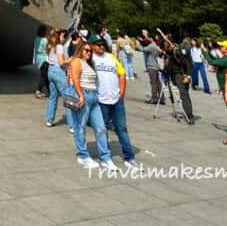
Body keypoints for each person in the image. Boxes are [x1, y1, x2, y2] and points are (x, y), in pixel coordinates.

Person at [64, 38, 116, 171]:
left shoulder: (90, 63)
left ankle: (106, 158)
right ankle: (83, 155)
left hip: (93, 97)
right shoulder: (77, 61)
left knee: (101, 128)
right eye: (87, 50)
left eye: (90, 51)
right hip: (84, 95)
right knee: (80, 127)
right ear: (81, 49)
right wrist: (81, 95)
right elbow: (75, 78)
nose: (89, 53)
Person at [90, 35, 139, 170]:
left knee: (122, 128)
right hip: (101, 99)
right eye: (98, 45)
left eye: (102, 44)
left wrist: (121, 92)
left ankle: (129, 157)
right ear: (92, 46)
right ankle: (106, 156)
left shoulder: (111, 57)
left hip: (116, 99)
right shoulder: (91, 59)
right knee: (102, 128)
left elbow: (121, 74)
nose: (101, 47)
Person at [161, 35, 194, 124]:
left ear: (171, 46)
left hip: (181, 75)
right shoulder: (171, 52)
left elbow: (189, 63)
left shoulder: (179, 52)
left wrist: (188, 76)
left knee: (184, 94)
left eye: (168, 49)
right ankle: (189, 113)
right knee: (185, 94)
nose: (167, 51)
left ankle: (189, 116)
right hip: (175, 74)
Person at [45, 28, 71, 128]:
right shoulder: (59, 46)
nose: (64, 39)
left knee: (53, 97)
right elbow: (61, 62)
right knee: (67, 98)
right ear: (59, 36)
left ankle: (49, 119)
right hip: (58, 71)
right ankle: (72, 125)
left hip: (50, 70)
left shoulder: (51, 45)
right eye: (63, 36)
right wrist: (70, 60)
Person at [139, 32, 163, 104]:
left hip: (152, 66)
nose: (147, 39)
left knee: (153, 83)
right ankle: (162, 98)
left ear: (151, 39)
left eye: (148, 38)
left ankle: (154, 98)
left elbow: (142, 49)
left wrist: (136, 44)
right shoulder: (155, 45)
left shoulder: (151, 46)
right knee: (158, 83)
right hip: (155, 66)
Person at [33, 25, 49, 99]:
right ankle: (38, 91)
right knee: (44, 76)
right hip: (44, 59)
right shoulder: (45, 40)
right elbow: (47, 49)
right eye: (46, 31)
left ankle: (50, 91)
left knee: (45, 75)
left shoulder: (37, 38)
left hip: (38, 58)